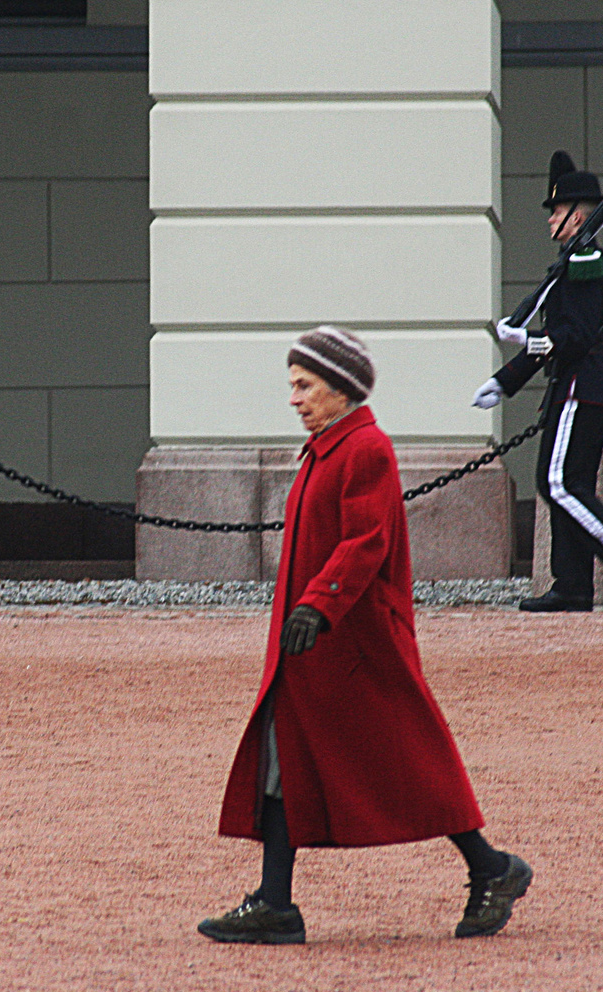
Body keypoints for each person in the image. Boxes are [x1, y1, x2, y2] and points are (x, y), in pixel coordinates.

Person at [197, 326, 532, 946]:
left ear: (341, 387)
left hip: (356, 645)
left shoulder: (365, 449)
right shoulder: (330, 447)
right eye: (293, 386)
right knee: (284, 756)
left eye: (304, 385)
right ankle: (276, 901)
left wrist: (319, 606)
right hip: (320, 646)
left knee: (407, 761)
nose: (294, 398)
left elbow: (366, 540)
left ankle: (491, 866)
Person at [474, 151, 603, 612]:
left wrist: (529, 341)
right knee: (563, 481)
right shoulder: (576, 259)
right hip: (582, 386)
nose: (550, 221)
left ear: (577, 216)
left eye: (555, 212)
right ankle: (572, 584)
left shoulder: (584, 261)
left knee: (559, 482)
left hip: (583, 385)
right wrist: (505, 381)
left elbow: (571, 338)